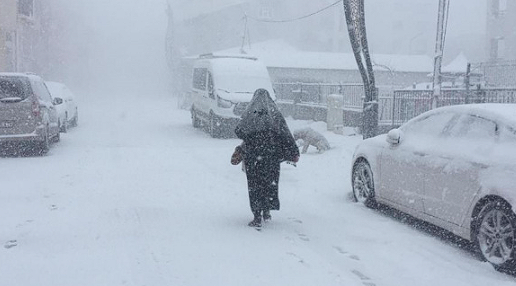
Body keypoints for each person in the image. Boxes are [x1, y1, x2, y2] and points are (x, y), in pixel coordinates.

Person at [232, 88, 300, 227]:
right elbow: (285, 133)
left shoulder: (250, 113)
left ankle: (257, 215)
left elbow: (239, 131)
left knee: (255, 186)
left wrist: (253, 136)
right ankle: (267, 210)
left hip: (253, 157)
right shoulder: (275, 114)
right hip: (271, 157)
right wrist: (293, 151)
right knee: (269, 184)